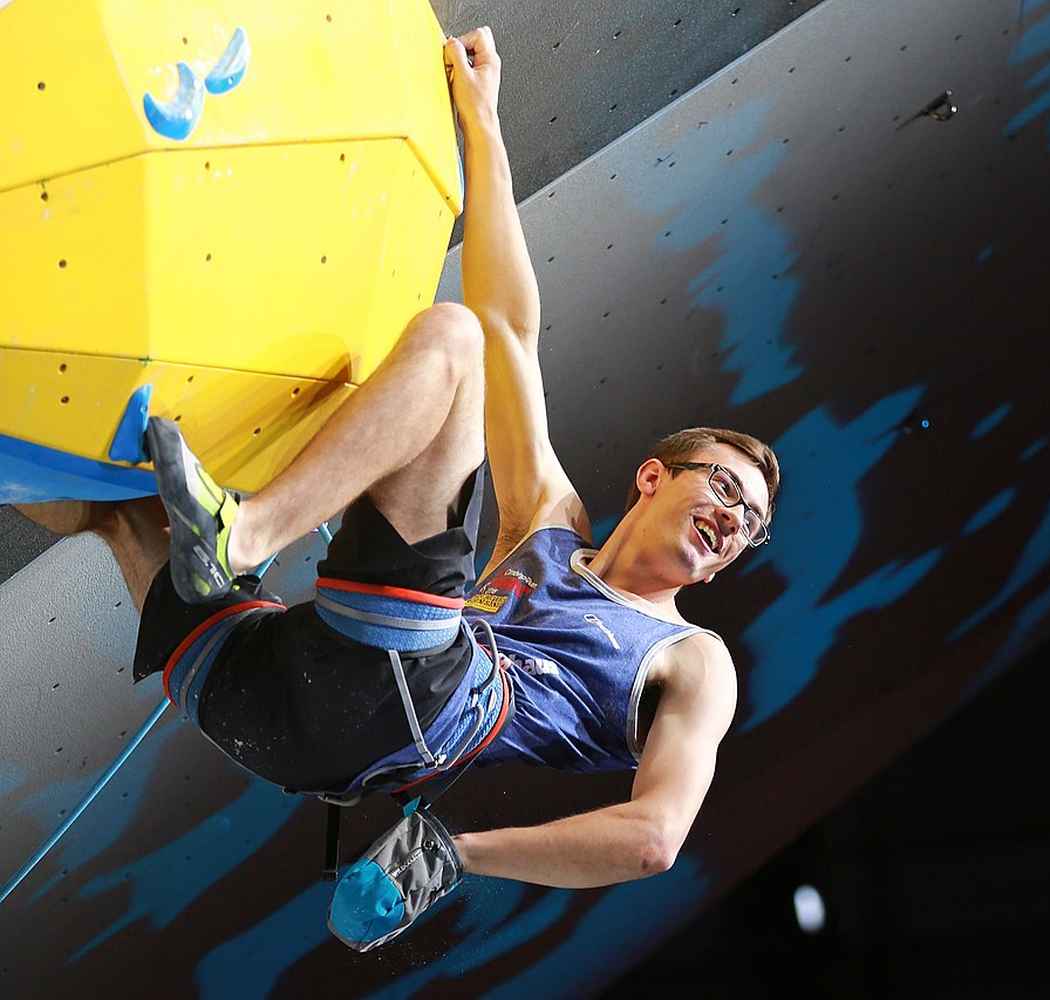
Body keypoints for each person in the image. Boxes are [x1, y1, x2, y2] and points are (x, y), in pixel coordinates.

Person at [74, 25, 780, 951]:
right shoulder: (550, 525)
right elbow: (510, 325)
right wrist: (481, 123)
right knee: (101, 492)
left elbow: (653, 838)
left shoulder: (696, 661)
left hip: (407, 705)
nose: (732, 522)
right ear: (654, 477)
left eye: (749, 527)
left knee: (447, 344)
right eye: (725, 491)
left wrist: (455, 855)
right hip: (281, 703)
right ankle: (208, 538)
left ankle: (241, 540)